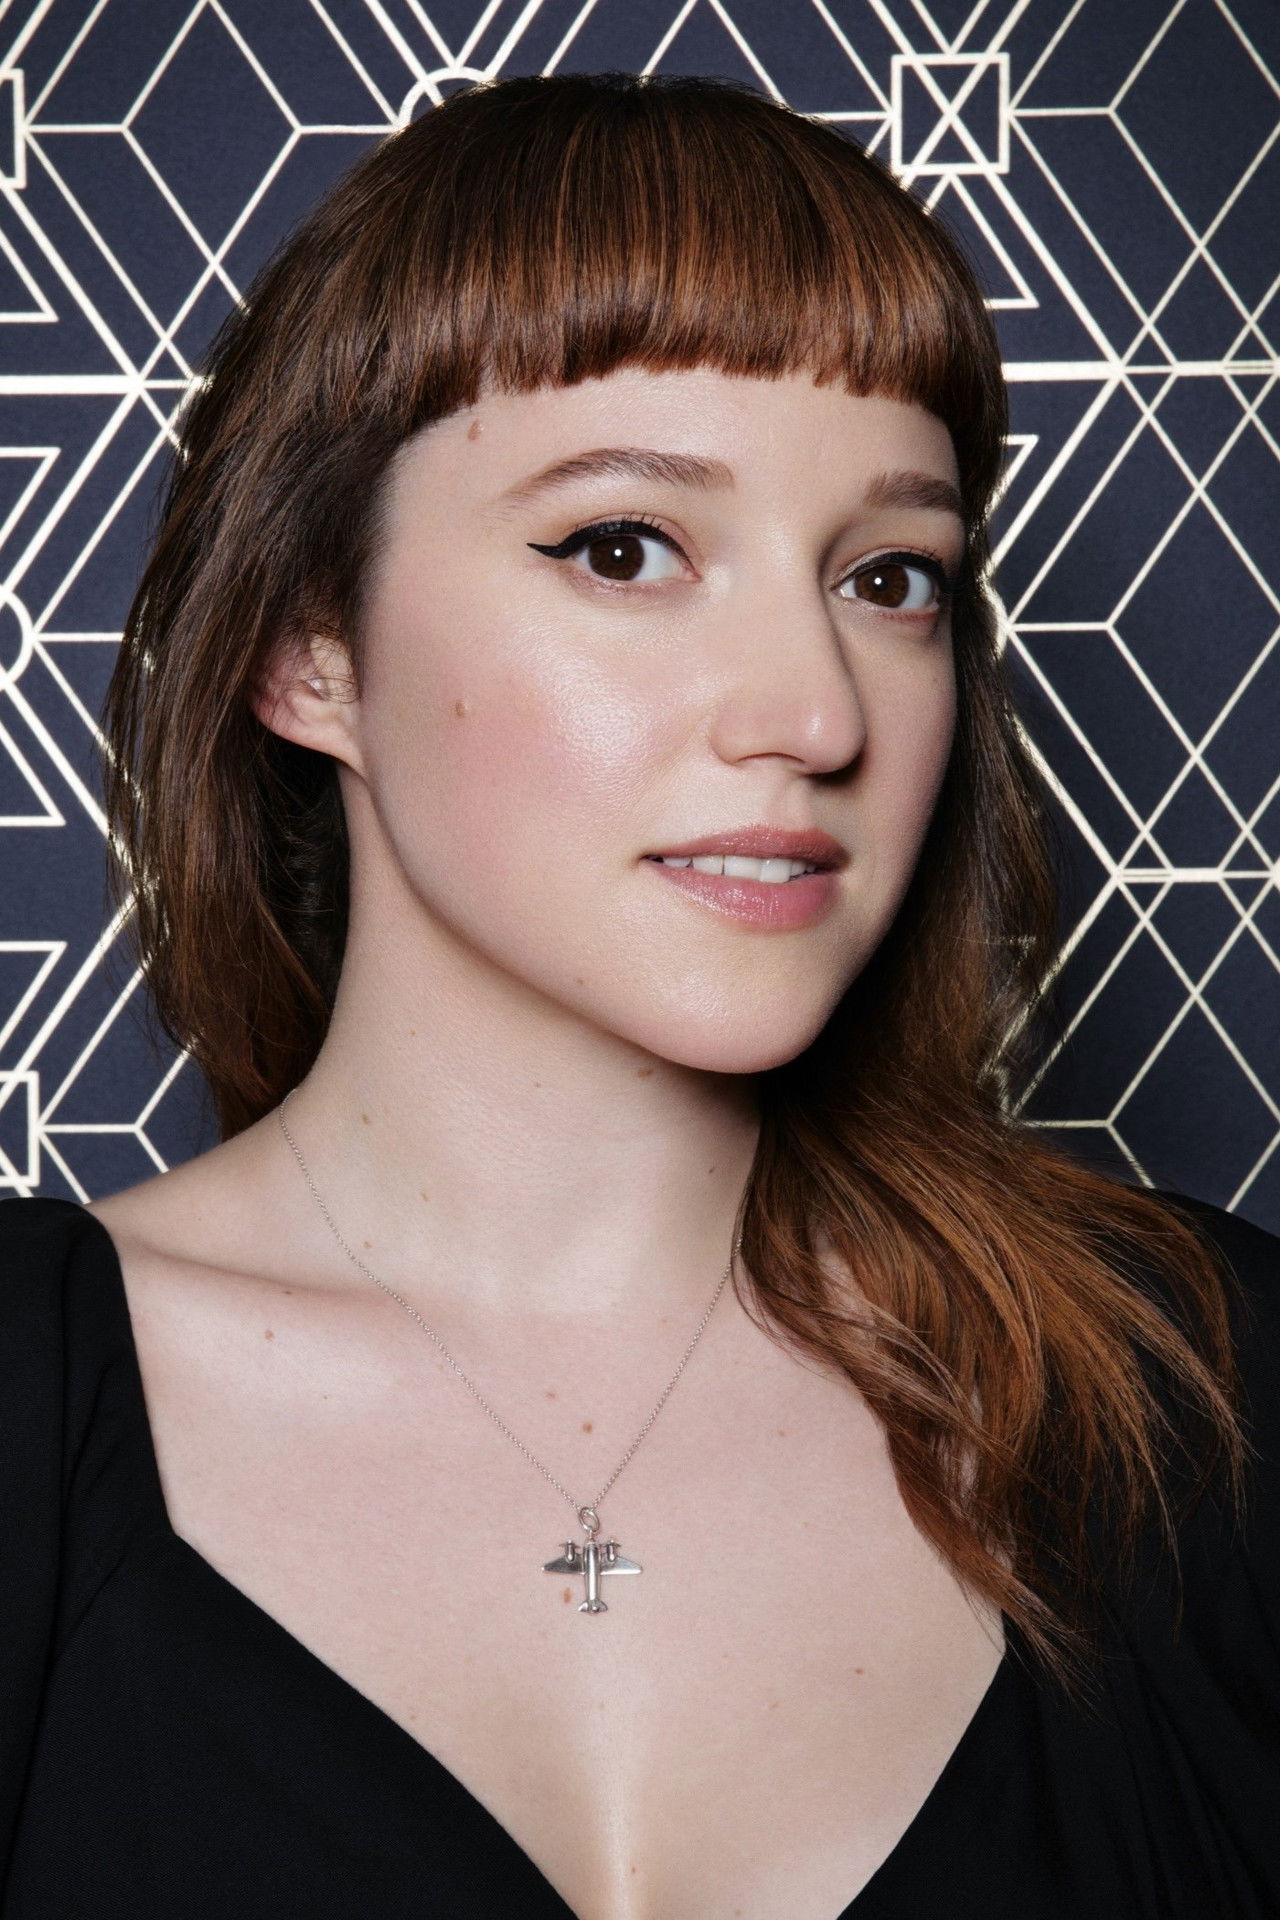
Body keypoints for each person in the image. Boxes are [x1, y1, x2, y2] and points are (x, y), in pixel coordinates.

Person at [0, 69, 1276, 1920]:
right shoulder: (36, 1411)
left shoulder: (1202, 1395)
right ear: (310, 648)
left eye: (893, 578)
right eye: (622, 549)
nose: (816, 714)